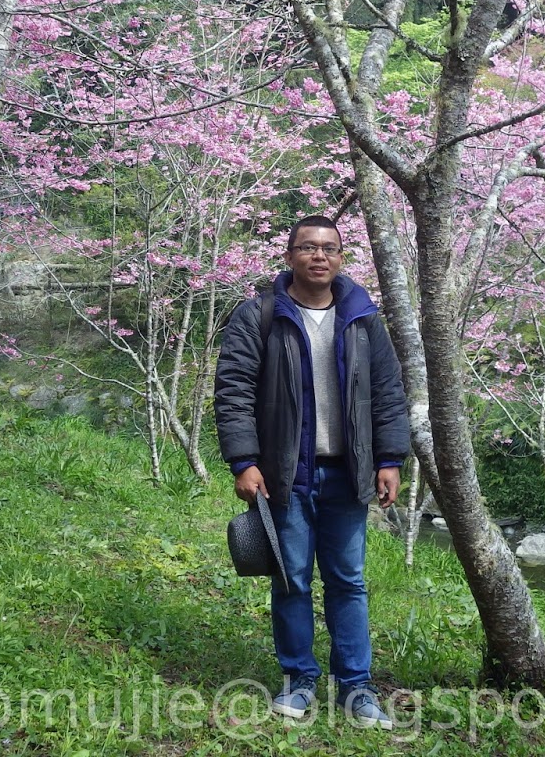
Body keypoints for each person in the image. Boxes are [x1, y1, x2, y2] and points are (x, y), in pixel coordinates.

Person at [213, 215, 410, 729]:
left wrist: (390, 460)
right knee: (292, 579)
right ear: (289, 257)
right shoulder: (260, 315)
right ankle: (299, 679)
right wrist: (244, 461)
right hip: (284, 474)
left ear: (341, 257)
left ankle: (356, 689)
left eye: (329, 248)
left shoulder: (364, 320)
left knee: (349, 581)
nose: (318, 256)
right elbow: (233, 392)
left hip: (348, 474)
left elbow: (388, 396)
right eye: (307, 248)